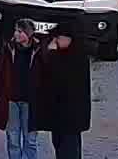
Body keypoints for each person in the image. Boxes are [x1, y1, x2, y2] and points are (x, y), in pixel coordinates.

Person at [37, 21, 93, 159]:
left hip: (70, 117)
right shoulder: (69, 54)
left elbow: (59, 76)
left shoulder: (75, 57)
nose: (55, 41)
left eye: (58, 38)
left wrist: (52, 53)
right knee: (62, 147)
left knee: (68, 150)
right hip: (62, 117)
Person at [0, 19, 41, 159]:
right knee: (13, 140)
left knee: (30, 141)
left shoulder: (39, 51)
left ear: (28, 34)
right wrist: (1, 95)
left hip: (31, 103)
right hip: (11, 100)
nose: (16, 34)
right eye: (15, 30)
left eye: (20, 31)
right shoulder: (8, 49)